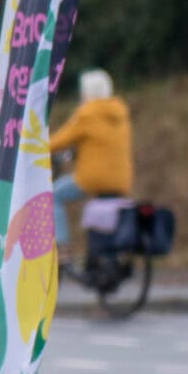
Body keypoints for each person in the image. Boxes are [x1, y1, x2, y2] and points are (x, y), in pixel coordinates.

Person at [48, 69, 130, 253]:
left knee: (54, 195)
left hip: (93, 179)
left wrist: (37, 147)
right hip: (120, 180)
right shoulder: (119, 113)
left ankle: (62, 247)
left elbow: (60, 140)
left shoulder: (88, 113)